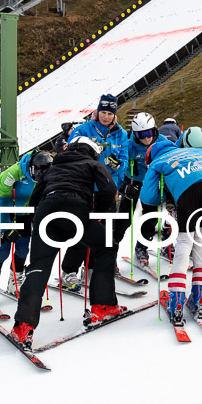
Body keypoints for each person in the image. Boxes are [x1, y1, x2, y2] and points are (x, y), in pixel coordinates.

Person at [10, 136, 121, 348]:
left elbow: (34, 200)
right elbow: (108, 191)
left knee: (38, 267)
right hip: (76, 211)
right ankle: (103, 305)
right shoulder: (93, 164)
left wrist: (30, 225)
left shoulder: (52, 168)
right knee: (107, 247)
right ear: (91, 151)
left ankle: (23, 326)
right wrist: (98, 213)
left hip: (46, 215)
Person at [140, 137, 202, 325]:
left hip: (188, 192)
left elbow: (148, 197)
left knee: (185, 242)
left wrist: (167, 196)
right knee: (201, 241)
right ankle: (200, 299)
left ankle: (177, 301)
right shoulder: (196, 151)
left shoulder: (158, 161)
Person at [60, 94, 127, 288]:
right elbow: (70, 153)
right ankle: (69, 271)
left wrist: (114, 164)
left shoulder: (120, 134)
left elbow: (124, 160)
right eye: (103, 112)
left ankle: (92, 269)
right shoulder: (84, 129)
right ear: (97, 112)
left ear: (115, 115)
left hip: (108, 189)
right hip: (87, 187)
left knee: (105, 233)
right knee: (84, 230)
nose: (106, 117)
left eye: (110, 113)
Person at [0, 150, 53, 301]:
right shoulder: (11, 174)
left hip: (25, 214)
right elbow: (0, 200)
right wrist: (6, 227)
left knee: (22, 250)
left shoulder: (48, 174)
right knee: (3, 251)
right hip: (5, 211)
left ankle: (14, 281)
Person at [113, 112, 167, 266]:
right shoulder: (129, 145)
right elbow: (118, 165)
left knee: (151, 220)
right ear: (135, 134)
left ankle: (141, 248)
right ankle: (110, 255)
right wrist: (121, 186)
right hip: (133, 183)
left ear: (154, 130)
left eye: (149, 133)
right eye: (141, 134)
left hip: (152, 185)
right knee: (123, 221)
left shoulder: (162, 143)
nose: (146, 138)